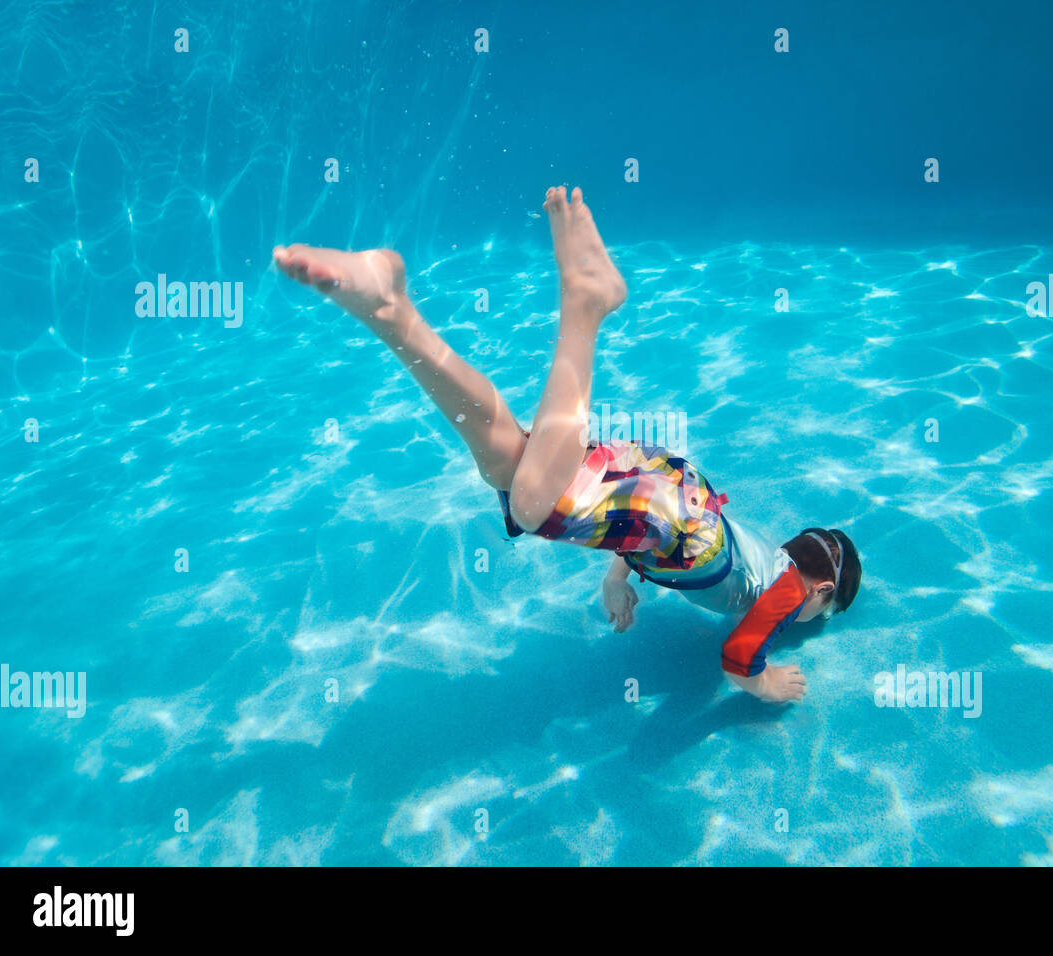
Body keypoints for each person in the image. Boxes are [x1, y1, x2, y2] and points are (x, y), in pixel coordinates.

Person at [273, 186, 861, 704]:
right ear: (823, 590)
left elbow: (648, 531)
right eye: (822, 612)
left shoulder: (763, 554)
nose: (809, 616)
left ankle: (391, 312)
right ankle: (585, 302)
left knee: (506, 464)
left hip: (678, 496)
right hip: (684, 521)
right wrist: (763, 683)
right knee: (533, 505)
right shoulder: (787, 590)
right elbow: (739, 655)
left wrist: (617, 578)